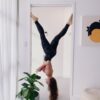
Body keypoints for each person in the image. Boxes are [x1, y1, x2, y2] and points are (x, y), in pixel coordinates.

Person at [31, 13, 73, 100]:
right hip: (49, 53)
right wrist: (39, 68)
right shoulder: (49, 73)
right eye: (47, 83)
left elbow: (47, 64)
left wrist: (42, 68)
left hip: (51, 53)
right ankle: (35, 20)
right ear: (50, 82)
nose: (45, 82)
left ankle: (68, 24)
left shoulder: (49, 74)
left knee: (57, 37)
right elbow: (48, 62)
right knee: (42, 35)